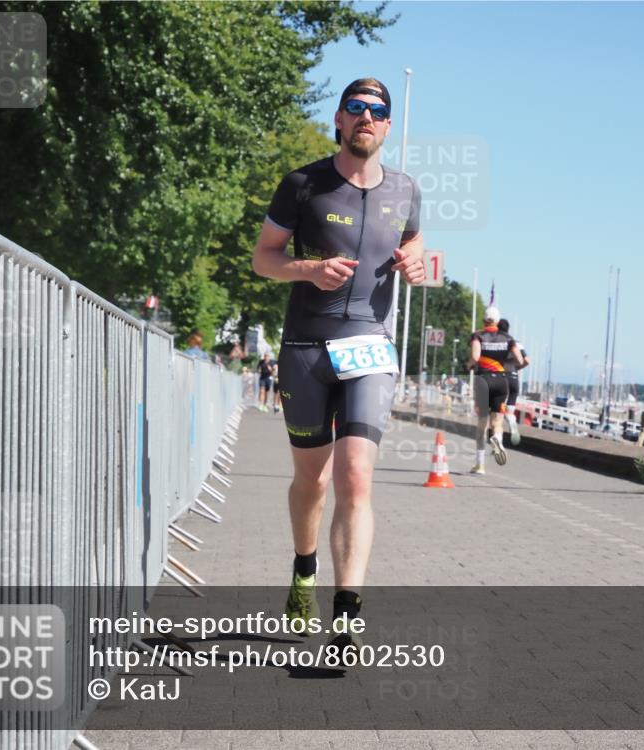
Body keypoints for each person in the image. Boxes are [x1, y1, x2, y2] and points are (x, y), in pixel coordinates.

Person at [251, 77, 424, 658]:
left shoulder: (405, 190)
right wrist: (307, 270)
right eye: (356, 108)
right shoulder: (303, 184)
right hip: (305, 348)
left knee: (355, 475)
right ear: (339, 119)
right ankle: (304, 569)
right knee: (313, 480)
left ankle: (346, 613)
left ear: (388, 127)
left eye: (377, 111)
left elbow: (414, 244)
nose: (366, 118)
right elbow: (263, 259)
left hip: (368, 346)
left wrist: (417, 262)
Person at [467, 306, 523, 474]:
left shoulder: (478, 336)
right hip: (501, 381)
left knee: (482, 424)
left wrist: (469, 365)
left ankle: (480, 465)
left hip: (484, 381)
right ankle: (498, 439)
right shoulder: (508, 338)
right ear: (498, 321)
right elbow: (519, 359)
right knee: (497, 422)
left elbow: (475, 357)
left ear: (484, 320)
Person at [498, 318, 530, 446]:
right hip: (514, 378)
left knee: (498, 411)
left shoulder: (498, 344)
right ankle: (512, 423)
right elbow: (527, 360)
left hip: (501, 378)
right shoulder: (517, 343)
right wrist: (517, 368)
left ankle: (498, 440)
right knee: (510, 410)